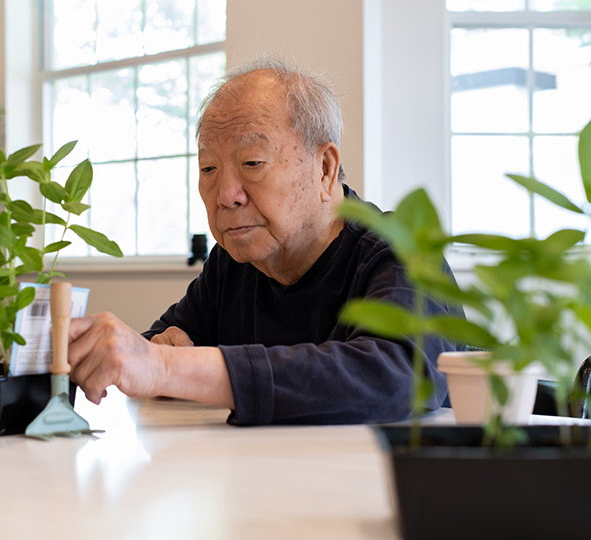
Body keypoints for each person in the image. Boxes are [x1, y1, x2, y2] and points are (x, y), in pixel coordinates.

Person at [68, 58, 463, 426]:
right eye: (208, 168)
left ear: (325, 168)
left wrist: (168, 368)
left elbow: (397, 375)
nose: (226, 195)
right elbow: (162, 349)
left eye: (252, 163)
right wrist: (159, 355)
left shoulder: (400, 250)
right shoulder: (234, 263)